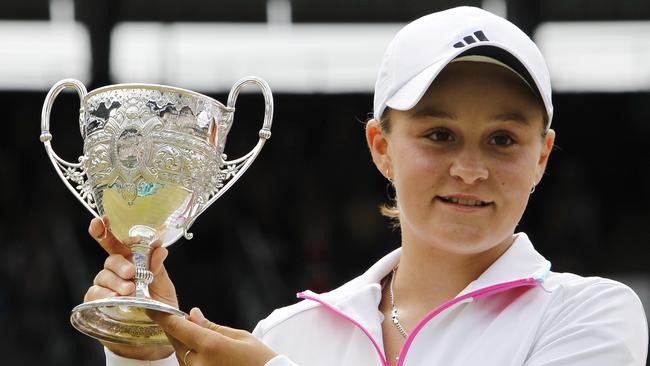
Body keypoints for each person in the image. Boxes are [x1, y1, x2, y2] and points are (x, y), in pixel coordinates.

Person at [85, 6, 648, 366]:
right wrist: (146, 353)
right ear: (381, 147)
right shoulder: (292, 331)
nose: (471, 169)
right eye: (439, 134)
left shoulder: (590, 315)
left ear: (541, 157)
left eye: (503, 139)